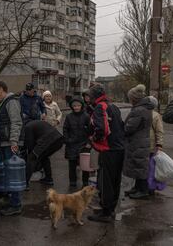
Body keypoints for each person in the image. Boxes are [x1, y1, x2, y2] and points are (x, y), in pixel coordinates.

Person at [87, 84, 125, 223]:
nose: (88, 98)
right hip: (119, 149)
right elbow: (121, 126)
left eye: (90, 95)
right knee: (115, 181)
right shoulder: (113, 106)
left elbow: (101, 129)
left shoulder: (100, 107)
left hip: (108, 150)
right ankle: (111, 209)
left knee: (105, 181)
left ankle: (106, 212)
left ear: (94, 96)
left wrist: (93, 139)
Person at [0, 81, 24, 216]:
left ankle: (16, 205)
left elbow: (16, 122)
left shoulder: (11, 102)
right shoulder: (3, 103)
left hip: (10, 144)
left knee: (13, 174)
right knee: (8, 173)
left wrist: (14, 142)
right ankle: (11, 199)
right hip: (5, 143)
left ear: (1, 90)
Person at [122, 85, 154, 199]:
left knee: (140, 166)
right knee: (138, 165)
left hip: (137, 142)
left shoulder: (139, 110)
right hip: (141, 141)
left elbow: (130, 127)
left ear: (134, 98)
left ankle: (143, 190)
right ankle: (137, 188)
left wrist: (122, 127)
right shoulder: (145, 108)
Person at [24, 120, 63, 186]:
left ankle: (25, 183)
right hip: (59, 140)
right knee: (44, 157)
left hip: (48, 140)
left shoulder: (27, 127)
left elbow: (30, 144)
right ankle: (48, 179)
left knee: (31, 158)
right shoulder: (36, 122)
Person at [63, 97, 91, 188]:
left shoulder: (86, 116)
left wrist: (88, 142)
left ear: (81, 106)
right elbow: (65, 129)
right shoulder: (69, 117)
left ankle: (85, 181)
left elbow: (90, 131)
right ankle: (72, 181)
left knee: (85, 165)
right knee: (72, 164)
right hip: (72, 144)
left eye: (78, 105)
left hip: (83, 143)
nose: (76, 107)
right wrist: (67, 139)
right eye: (74, 106)